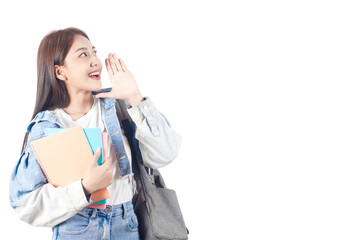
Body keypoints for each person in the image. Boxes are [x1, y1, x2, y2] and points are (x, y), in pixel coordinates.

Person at [9, 27, 182, 240]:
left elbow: (166, 154)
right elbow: (24, 203)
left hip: (126, 225)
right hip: (77, 229)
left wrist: (136, 97)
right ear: (60, 72)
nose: (96, 62)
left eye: (94, 52)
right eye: (83, 54)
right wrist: (85, 188)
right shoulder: (46, 127)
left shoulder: (119, 107)